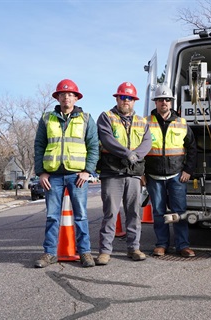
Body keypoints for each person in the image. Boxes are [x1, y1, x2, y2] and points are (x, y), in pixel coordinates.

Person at [34, 79, 99, 268]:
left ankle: (85, 252)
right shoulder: (47, 118)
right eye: (62, 94)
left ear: (76, 98)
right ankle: (49, 253)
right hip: (52, 176)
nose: (66, 98)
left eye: (70, 94)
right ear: (58, 97)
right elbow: (39, 146)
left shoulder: (86, 118)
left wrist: (87, 171)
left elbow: (93, 146)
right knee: (52, 216)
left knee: (81, 216)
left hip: (77, 175)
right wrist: (41, 172)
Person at [95, 82, 152, 264]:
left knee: (134, 213)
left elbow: (147, 142)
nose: (125, 100)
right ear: (117, 98)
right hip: (112, 172)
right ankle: (105, 251)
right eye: (122, 97)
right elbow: (107, 139)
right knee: (110, 213)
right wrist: (128, 154)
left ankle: (134, 248)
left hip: (133, 173)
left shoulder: (142, 122)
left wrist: (136, 156)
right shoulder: (106, 117)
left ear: (134, 101)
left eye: (129, 98)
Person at [144, 84, 197, 258]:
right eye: (160, 100)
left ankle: (183, 245)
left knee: (179, 211)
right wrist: (141, 173)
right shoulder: (145, 123)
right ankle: (161, 244)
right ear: (156, 102)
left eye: (167, 99)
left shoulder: (181, 123)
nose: (163, 102)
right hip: (153, 176)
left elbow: (192, 148)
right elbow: (139, 149)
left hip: (177, 176)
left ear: (171, 102)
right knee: (159, 212)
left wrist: (188, 169)